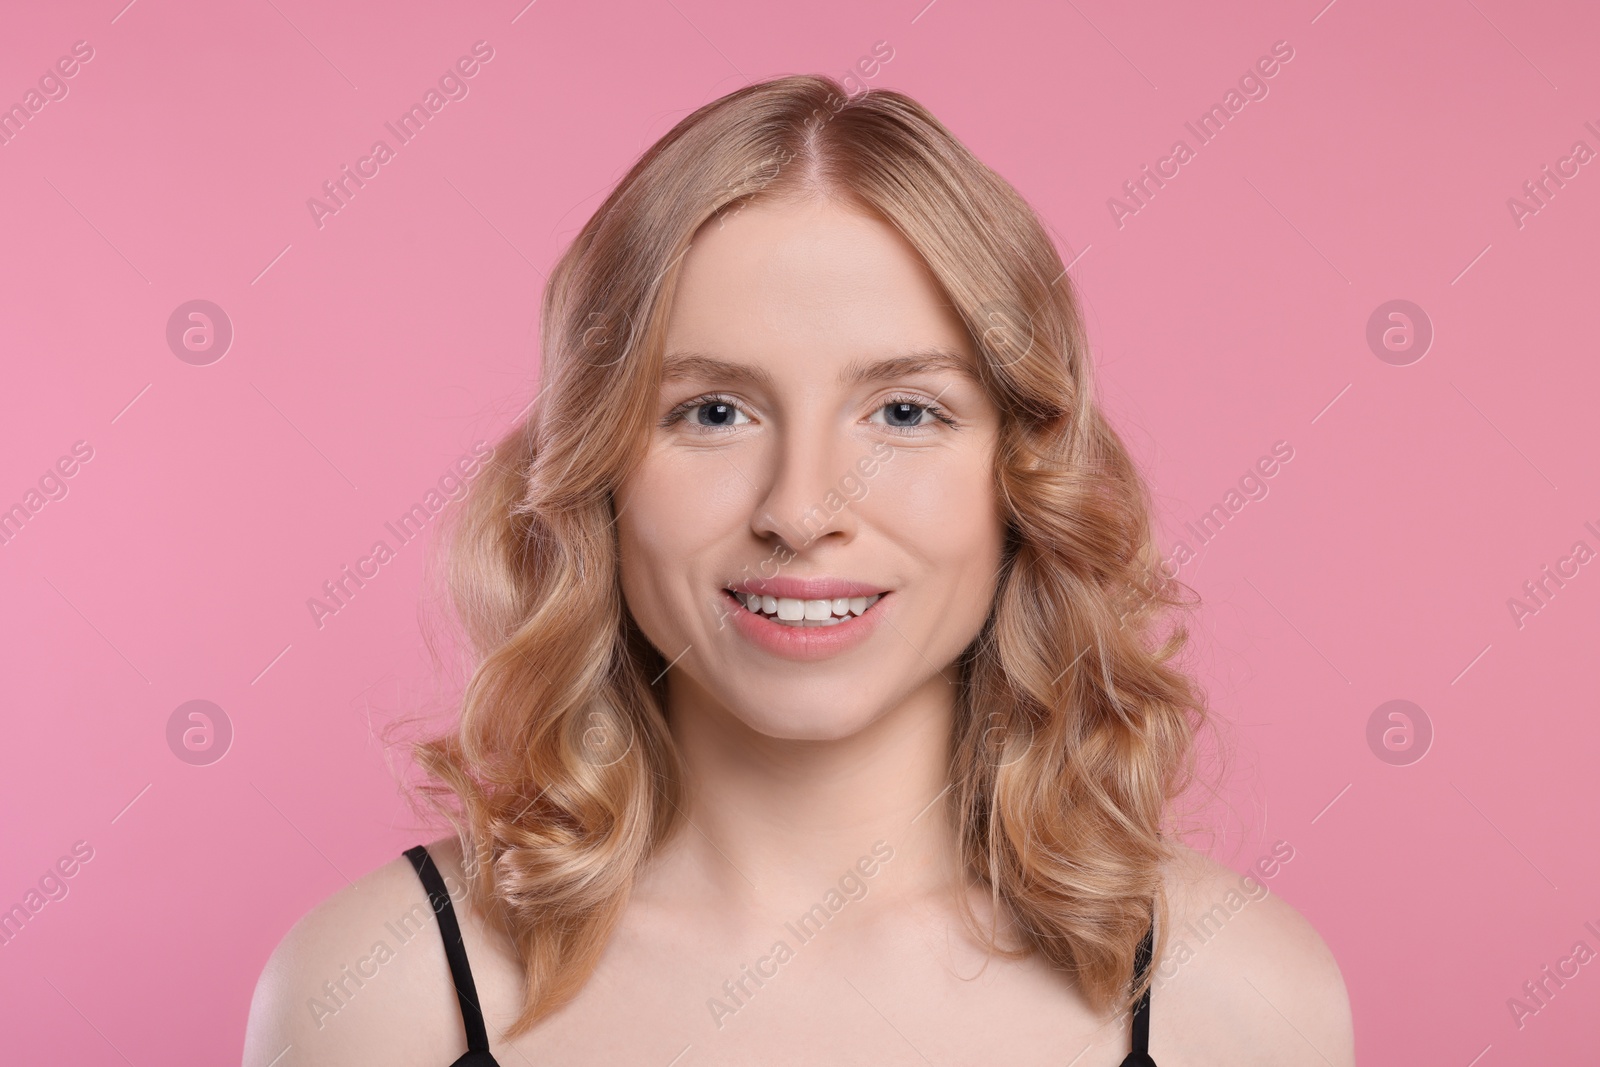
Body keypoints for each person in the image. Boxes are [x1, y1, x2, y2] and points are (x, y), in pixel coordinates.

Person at [243, 74, 1354, 1066]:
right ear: (598, 471)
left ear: (1023, 475)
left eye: (905, 411)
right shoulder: (377, 999)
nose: (799, 508)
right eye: (712, 410)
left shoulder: (1238, 999)